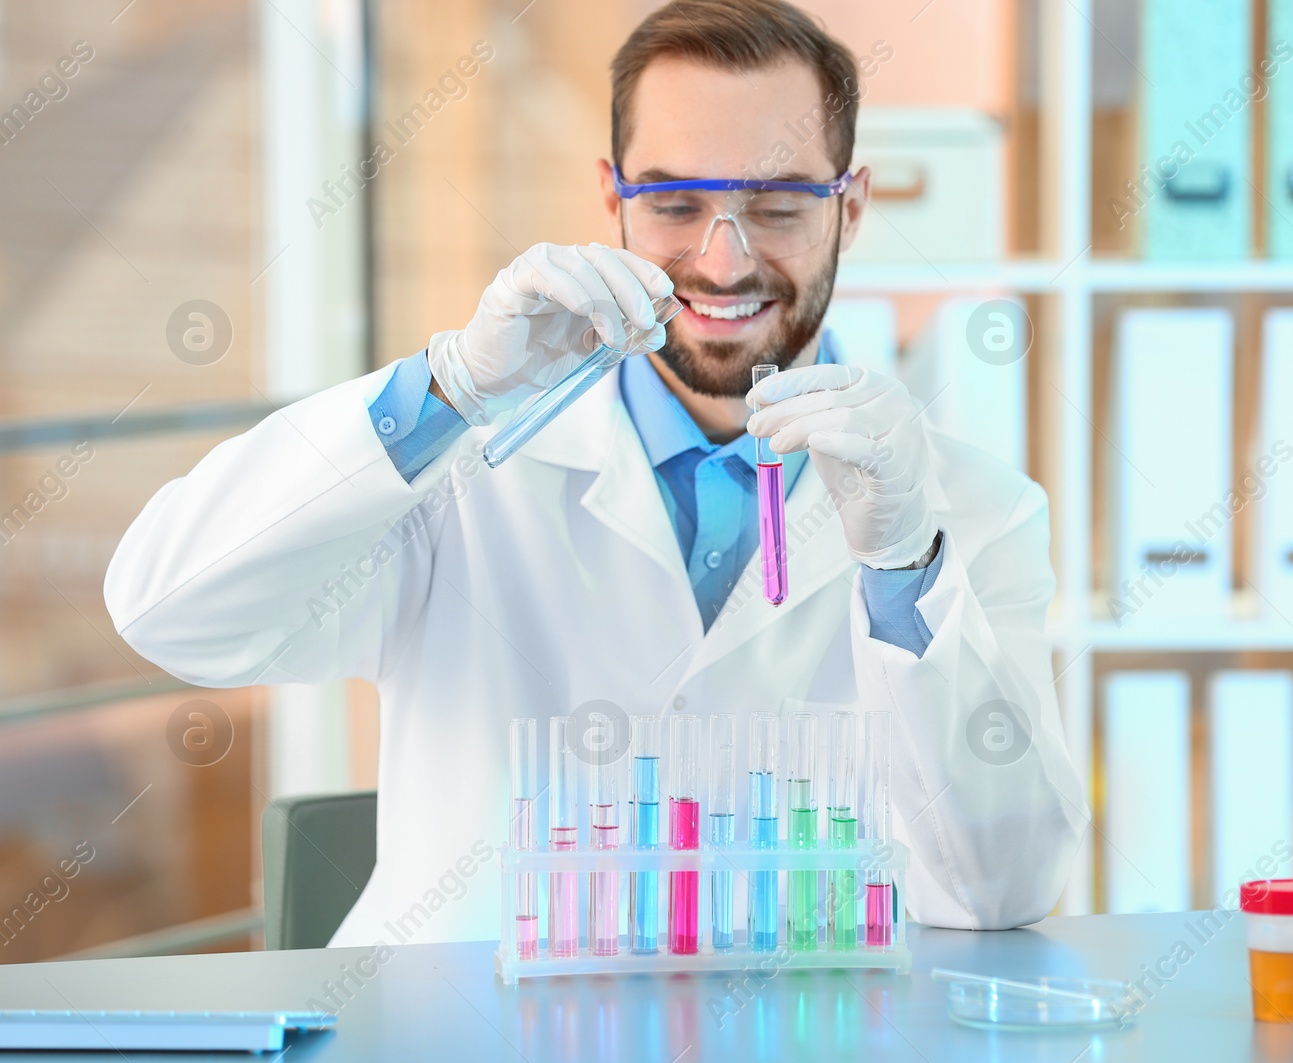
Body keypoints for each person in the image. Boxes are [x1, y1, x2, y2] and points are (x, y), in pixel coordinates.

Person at [104, 0, 1084, 946]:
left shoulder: (965, 511)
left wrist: (904, 564)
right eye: (675, 201)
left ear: (851, 206)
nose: (724, 258)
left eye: (778, 203)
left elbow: (1001, 885)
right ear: (613, 199)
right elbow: (172, 610)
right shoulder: (464, 468)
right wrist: (444, 391)